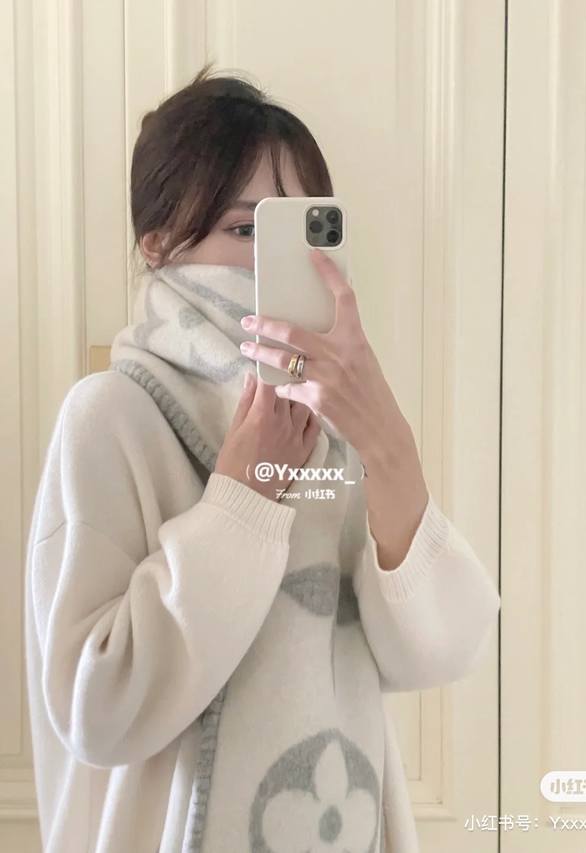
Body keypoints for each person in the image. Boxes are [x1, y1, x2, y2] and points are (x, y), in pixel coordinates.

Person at [24, 63, 501, 853]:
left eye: (300, 234)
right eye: (246, 232)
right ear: (157, 242)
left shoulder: (334, 430)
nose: (269, 265)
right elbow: (96, 707)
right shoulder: (110, 418)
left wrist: (388, 445)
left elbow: (443, 651)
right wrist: (242, 498)